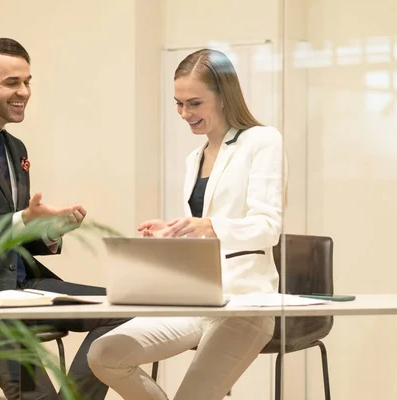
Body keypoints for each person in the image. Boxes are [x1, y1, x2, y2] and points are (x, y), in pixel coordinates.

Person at [0, 38, 126, 400]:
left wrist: (47, 232)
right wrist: (22, 221)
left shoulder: (15, 148)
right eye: (12, 83)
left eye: (27, 81)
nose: (24, 92)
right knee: (38, 398)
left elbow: (14, 229)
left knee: (124, 311)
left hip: (22, 287)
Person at [87, 48, 285, 399]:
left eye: (194, 103)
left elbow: (268, 227)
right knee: (104, 354)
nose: (184, 113)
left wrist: (209, 226)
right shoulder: (194, 158)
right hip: (197, 300)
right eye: (178, 103)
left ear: (224, 97)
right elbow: (201, 235)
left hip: (246, 305)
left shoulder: (262, 141)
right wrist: (173, 234)